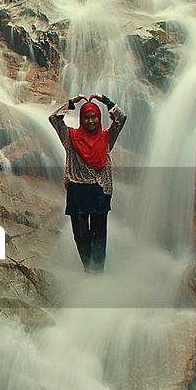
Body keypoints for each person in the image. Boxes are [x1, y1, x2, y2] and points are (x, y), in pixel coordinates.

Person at [49, 92, 127, 273]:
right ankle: (88, 268)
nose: (90, 121)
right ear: (81, 119)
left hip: (100, 190)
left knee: (99, 235)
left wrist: (104, 100)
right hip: (77, 190)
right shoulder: (70, 137)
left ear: (98, 118)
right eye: (86, 118)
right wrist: (72, 102)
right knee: (81, 234)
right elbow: (54, 119)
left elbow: (121, 119)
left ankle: (98, 271)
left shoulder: (107, 137)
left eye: (93, 117)